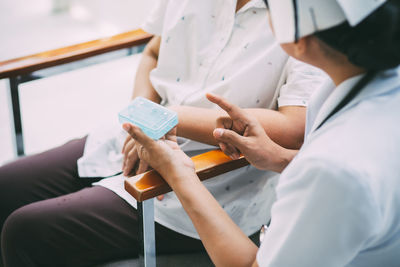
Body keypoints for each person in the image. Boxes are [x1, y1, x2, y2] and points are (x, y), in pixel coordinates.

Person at [0, 0, 327, 266]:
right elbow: (153, 52)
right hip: (133, 135)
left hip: (210, 178)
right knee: (5, 187)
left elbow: (293, 128)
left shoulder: (302, 15)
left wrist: (168, 118)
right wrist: (143, 120)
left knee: (25, 231)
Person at [123, 0, 400, 266]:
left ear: (298, 38)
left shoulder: (331, 169)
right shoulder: (370, 87)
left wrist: (177, 171)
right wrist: (279, 157)